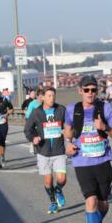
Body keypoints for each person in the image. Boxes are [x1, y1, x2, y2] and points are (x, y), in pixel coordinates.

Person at [64, 75, 112, 223]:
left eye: (93, 89)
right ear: (80, 90)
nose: (90, 93)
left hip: (103, 161)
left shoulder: (105, 107)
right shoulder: (72, 109)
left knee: (103, 205)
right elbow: (68, 129)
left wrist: (104, 127)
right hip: (82, 162)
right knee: (90, 201)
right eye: (87, 89)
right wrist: (67, 143)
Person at [25, 86, 69, 214]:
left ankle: (58, 190)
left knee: (62, 179)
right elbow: (28, 129)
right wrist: (33, 138)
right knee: (48, 180)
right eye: (49, 95)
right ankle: (53, 202)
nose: (52, 98)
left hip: (59, 150)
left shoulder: (61, 110)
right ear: (43, 97)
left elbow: (69, 125)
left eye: (53, 95)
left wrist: (67, 130)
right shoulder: (37, 113)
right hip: (43, 151)